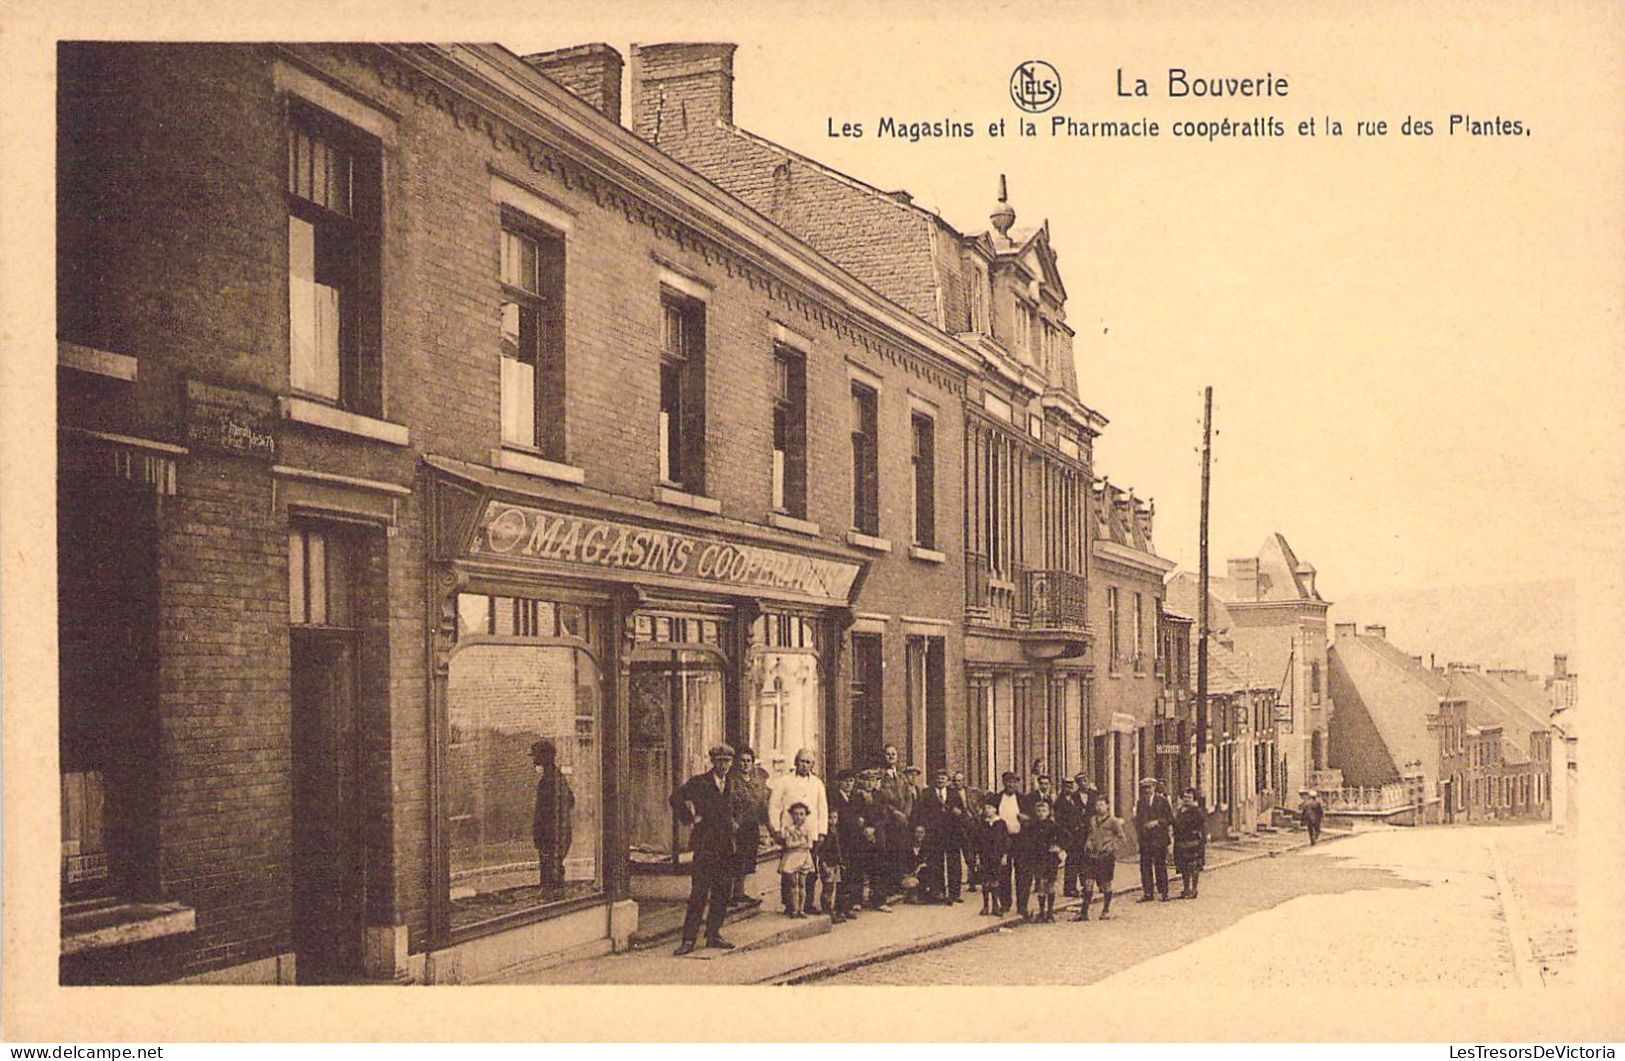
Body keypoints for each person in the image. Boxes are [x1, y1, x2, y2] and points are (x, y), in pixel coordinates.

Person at [671, 744, 742, 955]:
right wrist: (690, 818)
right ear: (712, 762)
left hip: (726, 847)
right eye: (720, 761)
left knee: (722, 893)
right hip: (705, 846)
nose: (724, 766)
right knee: (699, 893)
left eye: (727, 761)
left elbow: (739, 805)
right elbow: (675, 798)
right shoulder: (699, 782)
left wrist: (736, 821)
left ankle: (713, 934)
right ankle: (688, 939)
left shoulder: (732, 783)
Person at [768, 749, 828, 916]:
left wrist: (822, 832)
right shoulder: (784, 782)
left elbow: (822, 809)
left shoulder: (817, 783)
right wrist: (776, 829)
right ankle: (790, 904)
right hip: (790, 833)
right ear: (795, 762)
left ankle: (806, 904)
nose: (804, 765)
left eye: (808, 762)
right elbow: (774, 806)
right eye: (802, 761)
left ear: (812, 765)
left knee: (808, 870)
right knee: (789, 870)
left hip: (810, 834)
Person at [913, 767, 967, 903]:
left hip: (952, 833)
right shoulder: (927, 794)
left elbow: (962, 812)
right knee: (936, 862)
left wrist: (958, 812)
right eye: (937, 778)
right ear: (933, 781)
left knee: (954, 863)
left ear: (948, 781)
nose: (940, 780)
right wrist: (921, 827)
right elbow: (920, 812)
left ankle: (955, 893)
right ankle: (939, 892)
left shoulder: (954, 793)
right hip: (934, 834)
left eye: (943, 778)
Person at [531, 739, 575, 895]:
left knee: (550, 875)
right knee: (553, 871)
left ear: (545, 757)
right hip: (554, 836)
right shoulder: (557, 778)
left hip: (551, 837)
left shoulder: (550, 781)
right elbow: (570, 801)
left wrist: (540, 834)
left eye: (536, 755)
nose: (534, 759)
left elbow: (544, 813)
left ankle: (552, 899)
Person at [728, 745, 771, 908]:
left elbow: (762, 804)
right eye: (742, 761)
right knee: (735, 858)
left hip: (751, 825)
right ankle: (730, 894)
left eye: (748, 761)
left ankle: (740, 892)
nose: (745, 764)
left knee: (747, 858)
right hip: (736, 825)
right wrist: (732, 822)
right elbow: (728, 803)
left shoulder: (757, 782)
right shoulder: (731, 781)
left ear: (753, 763)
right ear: (737, 763)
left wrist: (768, 826)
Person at [1075, 793, 1127, 922]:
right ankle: (1084, 912)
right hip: (1092, 855)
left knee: (1105, 883)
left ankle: (1105, 910)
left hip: (1105, 857)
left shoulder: (1113, 821)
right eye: (1097, 805)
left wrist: (1110, 847)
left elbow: (1121, 838)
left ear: (1107, 806)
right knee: (1088, 882)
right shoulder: (1092, 820)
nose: (1099, 807)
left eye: (1101, 804)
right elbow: (1090, 834)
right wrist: (1088, 842)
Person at [991, 771, 1027, 916]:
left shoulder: (1024, 799)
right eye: (1008, 782)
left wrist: (1026, 819)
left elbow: (1033, 818)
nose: (1011, 785)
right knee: (1004, 872)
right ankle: (1005, 903)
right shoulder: (997, 798)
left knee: (1022, 873)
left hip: (1020, 839)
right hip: (1003, 840)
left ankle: (1022, 905)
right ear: (1003, 783)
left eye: (1014, 782)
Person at [1024, 798, 1065, 923]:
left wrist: (1059, 847)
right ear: (1036, 812)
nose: (1041, 813)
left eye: (1044, 810)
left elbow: (1067, 837)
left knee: (1050, 885)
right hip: (1038, 859)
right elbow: (1027, 841)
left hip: (1051, 859)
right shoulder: (1031, 826)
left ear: (1048, 812)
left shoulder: (1053, 825)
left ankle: (1050, 913)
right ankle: (1041, 912)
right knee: (1041, 884)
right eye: (1039, 811)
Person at [1133, 777, 1174, 902]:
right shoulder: (1141, 802)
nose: (1147, 790)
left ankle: (1164, 892)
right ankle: (1148, 893)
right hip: (1145, 839)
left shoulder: (1162, 801)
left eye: (1149, 787)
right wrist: (1139, 835)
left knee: (1160, 865)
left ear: (1154, 787)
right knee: (1145, 866)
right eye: (1145, 788)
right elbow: (1138, 821)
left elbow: (1170, 819)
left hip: (1159, 839)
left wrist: (1157, 822)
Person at [973, 798, 1012, 916]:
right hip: (985, 855)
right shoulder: (982, 824)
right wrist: (977, 857)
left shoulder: (1001, 823)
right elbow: (977, 841)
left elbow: (1006, 841)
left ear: (995, 809)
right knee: (985, 881)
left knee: (995, 880)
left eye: (989, 808)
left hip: (997, 856)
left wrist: (1004, 855)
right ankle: (985, 905)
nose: (987, 811)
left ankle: (996, 905)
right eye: (985, 808)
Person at [778, 802, 816, 918]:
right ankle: (794, 909)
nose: (799, 817)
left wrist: (800, 843)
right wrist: (801, 843)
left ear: (806, 815)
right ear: (792, 815)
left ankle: (801, 909)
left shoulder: (808, 830)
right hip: (792, 858)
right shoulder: (789, 829)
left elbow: (809, 845)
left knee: (802, 884)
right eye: (796, 814)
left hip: (804, 857)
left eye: (801, 814)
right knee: (793, 884)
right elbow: (789, 844)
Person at [1172, 787, 1207, 898]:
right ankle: (1186, 888)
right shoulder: (1179, 811)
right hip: (1181, 842)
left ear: (1193, 799)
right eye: (1185, 797)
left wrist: (1201, 839)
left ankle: (1194, 889)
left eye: (1189, 797)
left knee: (1193, 867)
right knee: (1183, 866)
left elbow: (1201, 826)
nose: (1186, 799)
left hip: (1193, 842)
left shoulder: (1196, 811)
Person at [950, 771, 981, 892]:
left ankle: (972, 879)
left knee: (972, 853)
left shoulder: (971, 792)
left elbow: (985, 796)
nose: (958, 783)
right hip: (958, 826)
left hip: (971, 825)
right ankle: (958, 883)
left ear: (963, 781)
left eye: (960, 780)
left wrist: (979, 811)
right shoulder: (950, 793)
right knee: (962, 853)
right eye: (955, 781)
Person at [1054, 777, 1084, 898]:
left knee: (1077, 860)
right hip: (1067, 834)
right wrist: (1065, 832)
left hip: (1078, 834)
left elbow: (1082, 809)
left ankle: (1075, 886)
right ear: (1063, 786)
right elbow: (1059, 820)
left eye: (1071, 786)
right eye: (1067, 786)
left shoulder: (1076, 797)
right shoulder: (1059, 801)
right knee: (1071, 861)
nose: (1069, 788)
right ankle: (1069, 888)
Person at [816, 806, 847, 921]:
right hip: (827, 863)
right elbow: (822, 850)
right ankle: (826, 911)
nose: (832, 820)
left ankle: (831, 910)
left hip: (835, 863)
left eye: (835, 817)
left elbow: (838, 849)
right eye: (830, 817)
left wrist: (840, 862)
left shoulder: (836, 831)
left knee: (833, 887)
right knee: (827, 887)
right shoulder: (825, 833)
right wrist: (823, 863)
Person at [901, 825, 932, 904]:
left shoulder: (927, 847)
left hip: (921, 874)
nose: (919, 835)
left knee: (926, 870)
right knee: (911, 882)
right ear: (914, 834)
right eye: (917, 832)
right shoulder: (908, 848)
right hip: (910, 874)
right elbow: (904, 863)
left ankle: (922, 894)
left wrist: (920, 866)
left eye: (921, 832)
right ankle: (910, 895)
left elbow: (930, 861)